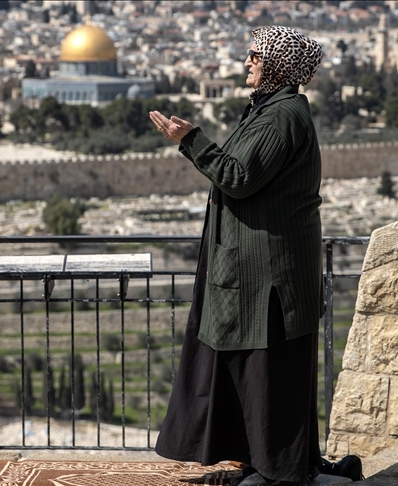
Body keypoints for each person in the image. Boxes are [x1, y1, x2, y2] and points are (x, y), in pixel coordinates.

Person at [148, 26, 325, 486]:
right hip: (259, 268)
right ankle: (264, 463)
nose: (247, 61)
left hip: (269, 275)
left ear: (277, 64)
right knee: (257, 371)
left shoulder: (279, 117)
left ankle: (277, 473)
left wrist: (191, 140)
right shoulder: (270, 112)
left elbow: (238, 174)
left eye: (255, 55)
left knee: (267, 372)